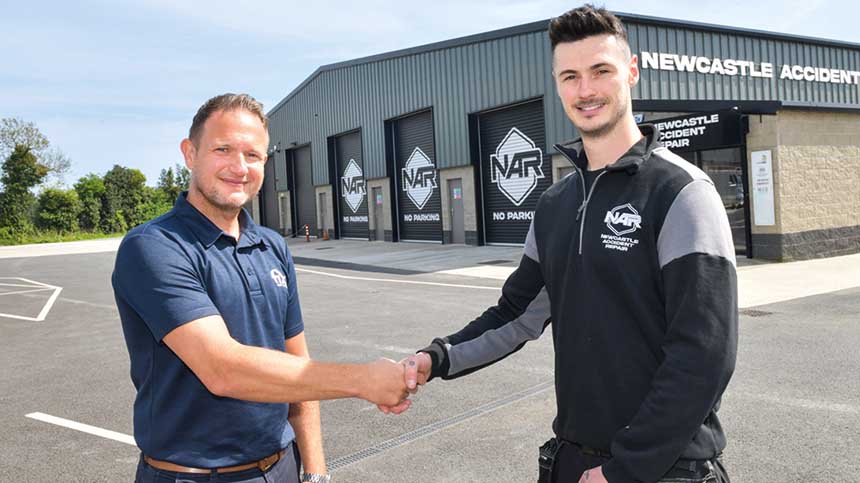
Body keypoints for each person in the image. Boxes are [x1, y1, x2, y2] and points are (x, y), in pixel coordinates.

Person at [392, 5, 738, 483]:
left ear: (631, 72)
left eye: (601, 71)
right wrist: (435, 358)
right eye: (570, 76)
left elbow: (704, 353)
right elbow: (515, 314)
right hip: (574, 461)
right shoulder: (555, 204)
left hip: (662, 469)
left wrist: (624, 469)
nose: (586, 90)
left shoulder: (681, 192)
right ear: (557, 85)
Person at [113, 93, 411, 483]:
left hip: (281, 467)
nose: (239, 167)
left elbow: (298, 365)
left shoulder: (272, 246)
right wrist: (362, 380)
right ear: (190, 153)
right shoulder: (154, 247)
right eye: (223, 149)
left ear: (264, 164)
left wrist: (316, 473)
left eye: (252, 155)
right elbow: (222, 369)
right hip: (194, 476)